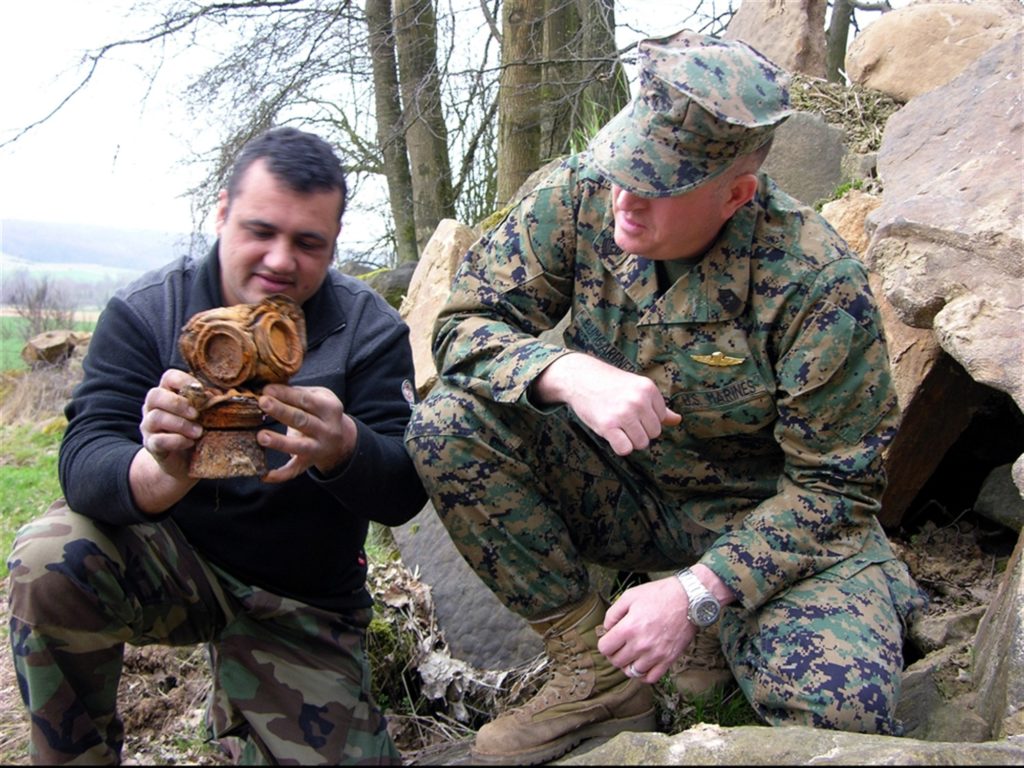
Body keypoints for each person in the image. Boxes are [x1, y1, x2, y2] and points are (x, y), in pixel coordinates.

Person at [405, 29, 928, 765]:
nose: (624, 199)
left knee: (836, 710)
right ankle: (596, 677)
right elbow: (465, 326)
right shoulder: (582, 191)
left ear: (736, 195)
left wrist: (698, 594)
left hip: (759, 522)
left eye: (656, 184)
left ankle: (846, 607)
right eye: (623, 164)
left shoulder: (816, 283)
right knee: (445, 424)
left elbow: (837, 489)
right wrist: (565, 372)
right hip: (627, 489)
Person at [7, 126, 427, 765]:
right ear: (223, 211)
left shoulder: (367, 328)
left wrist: (344, 446)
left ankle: (254, 704)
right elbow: (84, 458)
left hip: (301, 595)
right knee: (48, 558)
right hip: (171, 564)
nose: (282, 260)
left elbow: (403, 489)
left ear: (334, 244)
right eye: (261, 230)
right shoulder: (149, 309)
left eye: (308, 243)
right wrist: (160, 471)